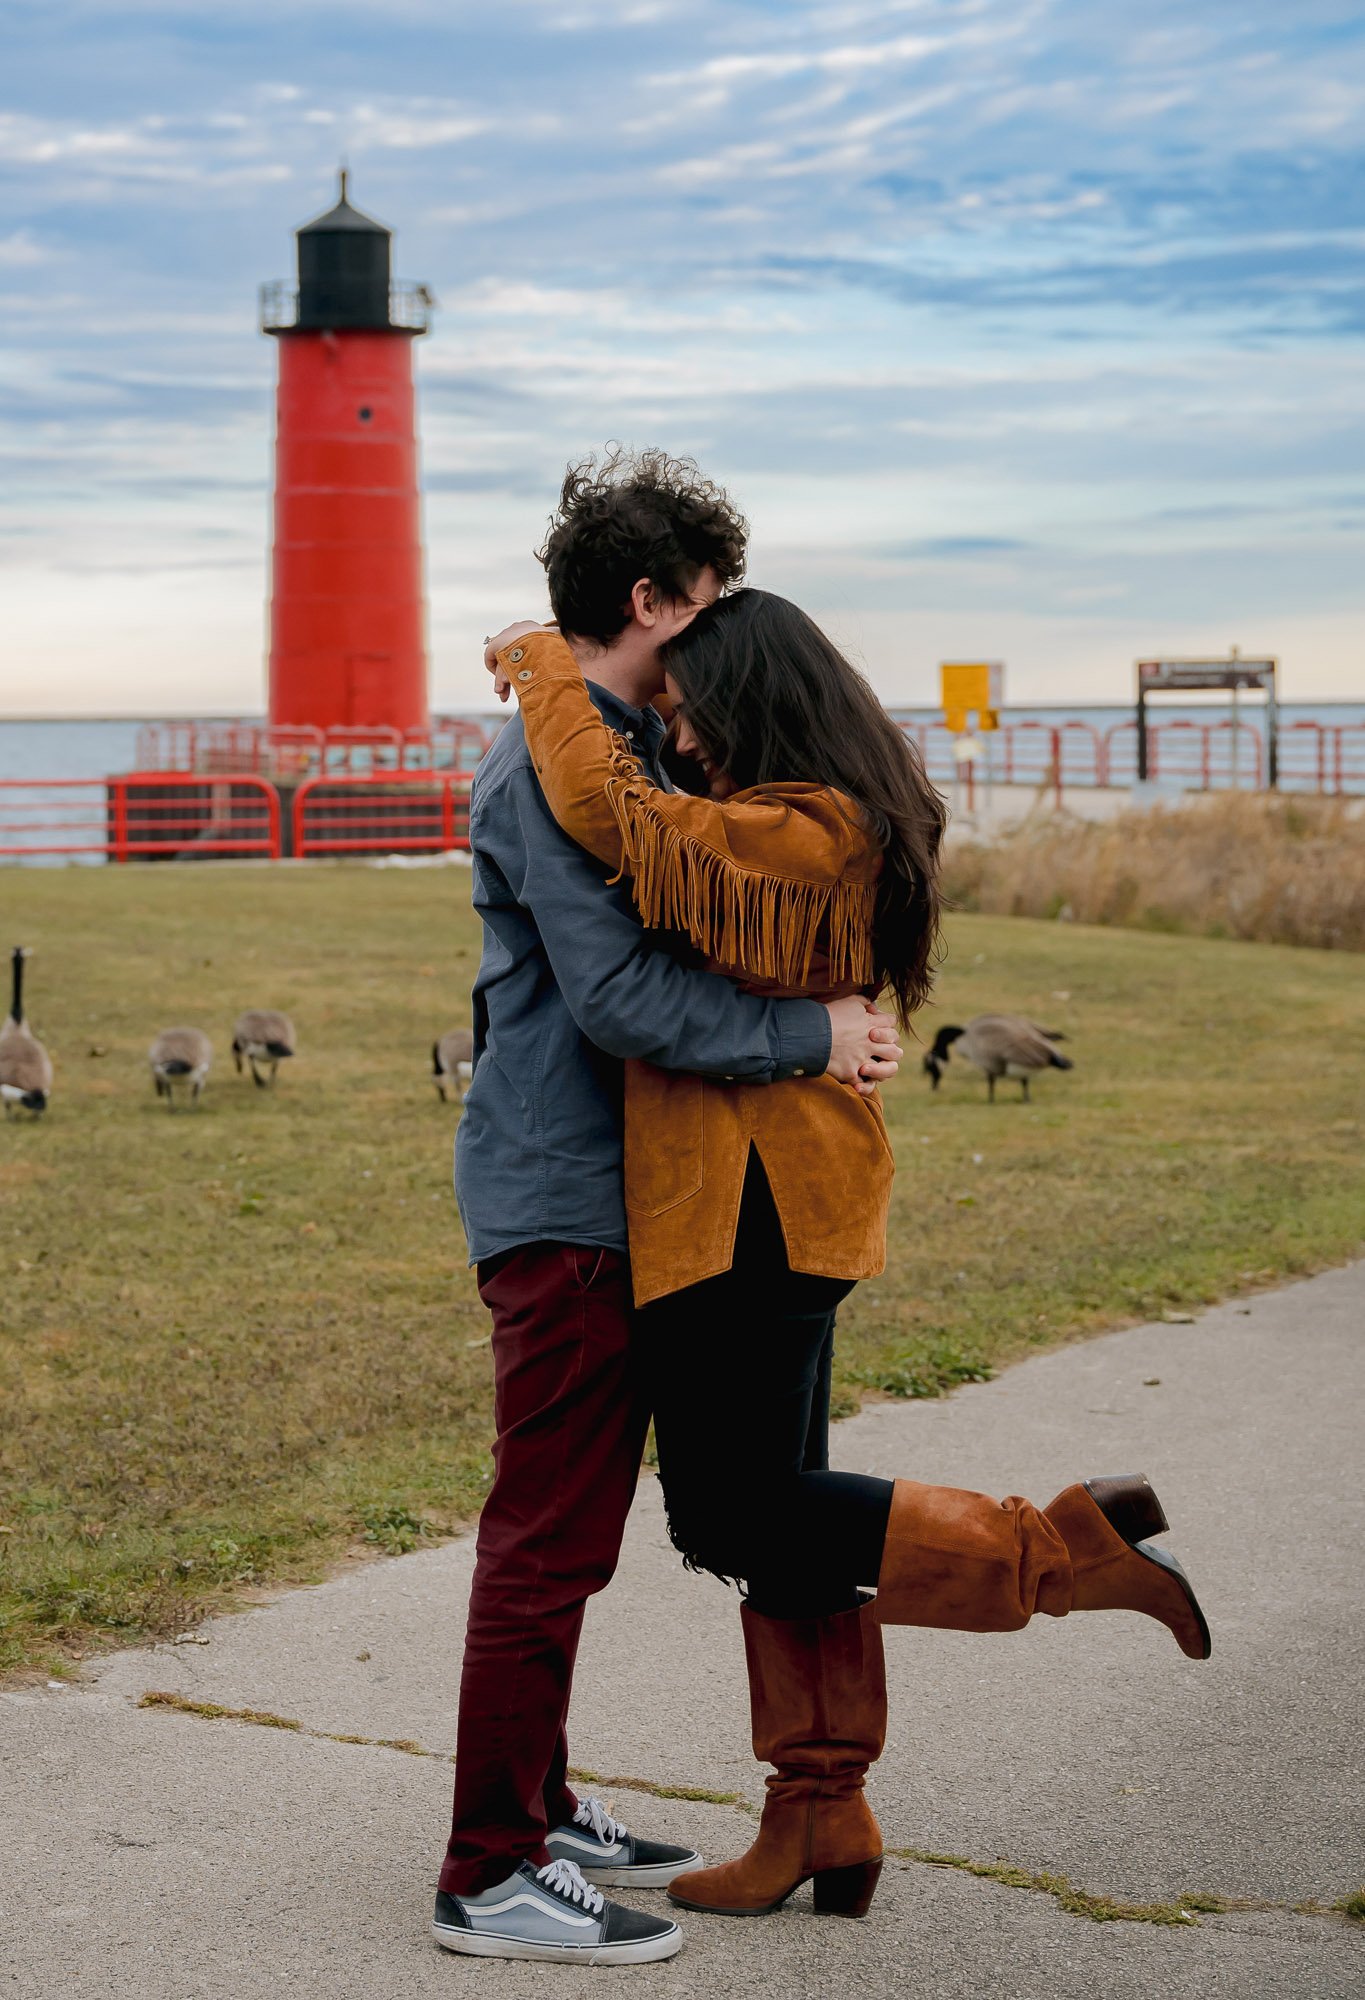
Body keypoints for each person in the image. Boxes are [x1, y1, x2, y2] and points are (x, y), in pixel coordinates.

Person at [486, 584, 1212, 1926]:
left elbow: (620, 821)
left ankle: (1058, 1550)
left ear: (754, 699)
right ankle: (818, 1814)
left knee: (732, 1512)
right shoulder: (830, 813)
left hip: (748, 1199)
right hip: (789, 1191)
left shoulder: (795, 828)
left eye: (695, 716)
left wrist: (537, 660)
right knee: (785, 1522)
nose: (684, 741)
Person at [432, 452, 903, 1967]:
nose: (717, 631)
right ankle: (490, 1874)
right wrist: (811, 1036)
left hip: (650, 1197)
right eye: (704, 601)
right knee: (549, 1540)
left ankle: (542, 1802)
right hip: (569, 1201)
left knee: (605, 1530)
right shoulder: (547, 771)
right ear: (651, 601)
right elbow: (628, 997)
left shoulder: (631, 754)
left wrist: (830, 997)